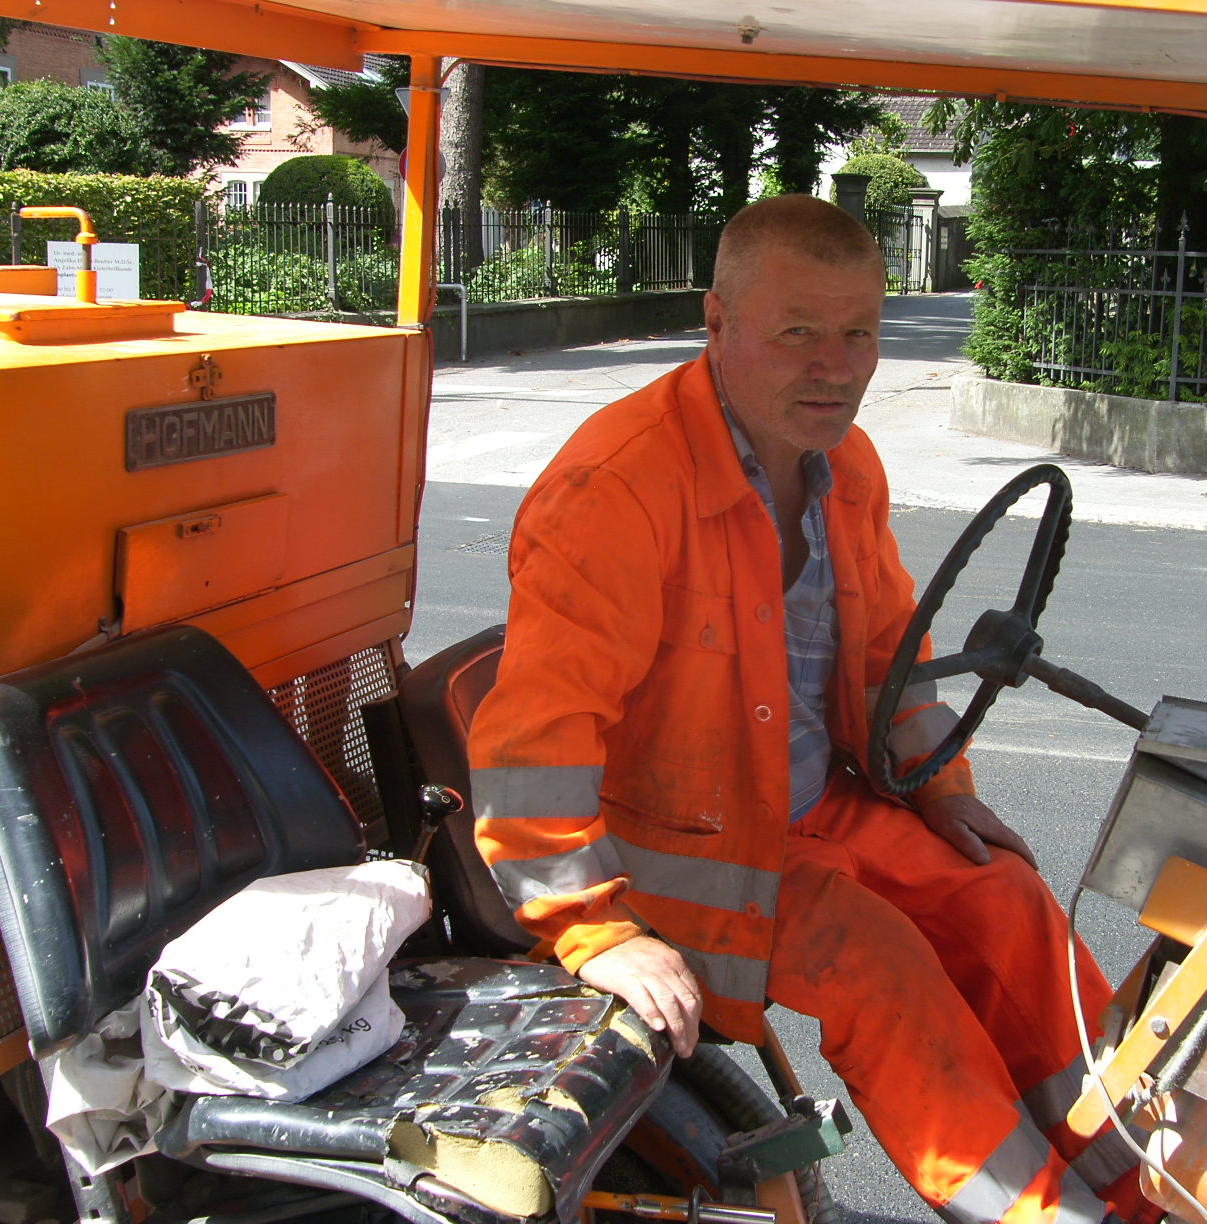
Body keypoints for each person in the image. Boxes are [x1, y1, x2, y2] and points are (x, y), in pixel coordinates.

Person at [467, 195, 1149, 1224]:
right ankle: (1035, 1213)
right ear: (718, 322)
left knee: (1005, 899)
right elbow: (535, 740)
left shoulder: (848, 468)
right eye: (797, 334)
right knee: (877, 966)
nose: (835, 368)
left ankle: (1147, 1183)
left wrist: (942, 791)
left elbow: (887, 653)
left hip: (816, 809)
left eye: (858, 334)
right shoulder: (618, 488)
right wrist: (592, 929)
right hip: (678, 853)